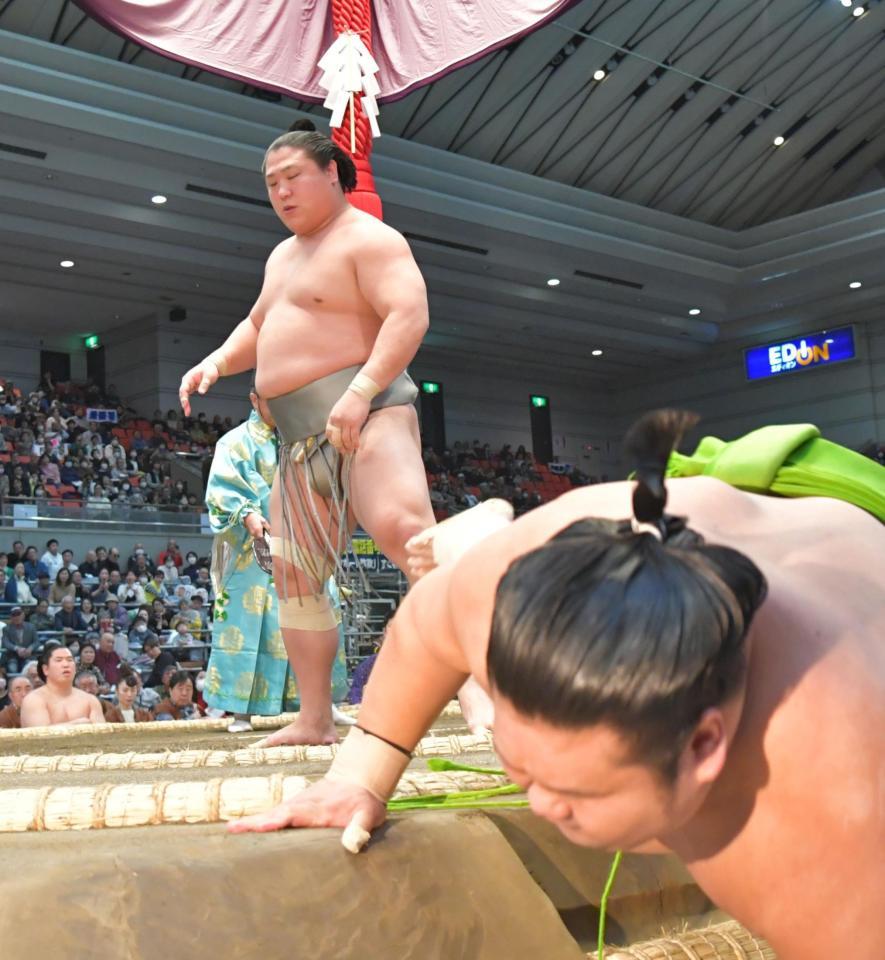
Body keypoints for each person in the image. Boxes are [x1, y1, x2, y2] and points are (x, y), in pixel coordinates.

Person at [229, 410, 885, 960]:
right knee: (482, 574)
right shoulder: (500, 594)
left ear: (702, 746)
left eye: (577, 790)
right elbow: (426, 628)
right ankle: (484, 539)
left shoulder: (824, 842)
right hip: (662, 514)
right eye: (521, 769)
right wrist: (361, 776)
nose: (542, 805)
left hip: (857, 538)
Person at [179, 120, 434, 745]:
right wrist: (216, 361)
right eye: (272, 183)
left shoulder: (369, 239)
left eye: (293, 177)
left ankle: (491, 688)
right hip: (297, 440)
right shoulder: (282, 256)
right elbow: (259, 324)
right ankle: (316, 718)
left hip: (368, 416)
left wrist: (362, 390)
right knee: (293, 574)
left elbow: (409, 314)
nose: (282, 192)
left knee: (411, 538)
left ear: (332, 173)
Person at [21, 644, 104, 727]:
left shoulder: (90, 701)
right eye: (59, 660)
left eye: (69, 660)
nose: (66, 665)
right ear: (46, 669)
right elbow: (40, 732)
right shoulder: (33, 699)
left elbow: (102, 733)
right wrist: (77, 724)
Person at [1, 606, 39, 674]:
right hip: (12, 656)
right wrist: (17, 648)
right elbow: (5, 643)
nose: (17, 617)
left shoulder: (31, 627)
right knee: (12, 668)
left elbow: (36, 642)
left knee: (31, 668)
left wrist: (30, 648)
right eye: (14, 615)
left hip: (28, 655)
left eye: (18, 614)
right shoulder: (6, 629)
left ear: (23, 615)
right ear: (11, 617)